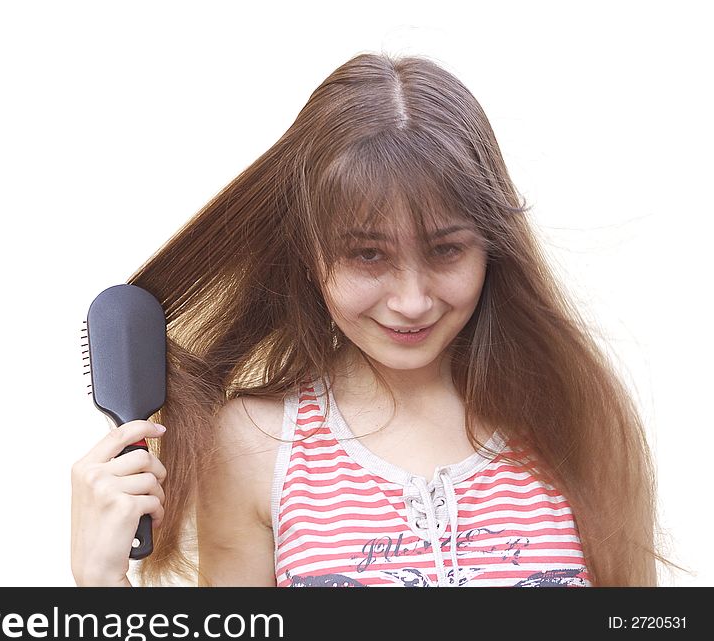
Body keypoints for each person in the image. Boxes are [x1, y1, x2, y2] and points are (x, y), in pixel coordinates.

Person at [71, 51, 677, 587]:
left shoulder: (573, 414)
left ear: (494, 245)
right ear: (309, 252)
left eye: (446, 249)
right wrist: (102, 584)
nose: (411, 301)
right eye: (368, 254)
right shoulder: (257, 445)